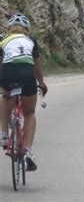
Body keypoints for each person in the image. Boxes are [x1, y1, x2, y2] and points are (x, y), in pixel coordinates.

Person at [0, 14, 48, 171]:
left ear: (9, 28)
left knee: (6, 97)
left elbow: (2, 63)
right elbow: (37, 68)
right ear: (26, 29)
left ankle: (4, 134)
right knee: (29, 113)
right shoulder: (31, 41)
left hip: (8, 73)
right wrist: (42, 84)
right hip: (27, 74)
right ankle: (27, 151)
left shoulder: (2, 39)